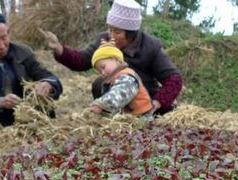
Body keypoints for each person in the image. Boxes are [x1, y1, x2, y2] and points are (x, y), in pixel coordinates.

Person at [41, 0, 182, 115]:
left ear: (132, 33)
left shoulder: (150, 46)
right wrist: (59, 48)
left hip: (145, 101)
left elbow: (174, 79)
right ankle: (108, 113)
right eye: (110, 29)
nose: (112, 35)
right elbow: (82, 60)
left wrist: (157, 103)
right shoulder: (104, 40)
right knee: (99, 84)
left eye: (118, 32)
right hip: (115, 100)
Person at [0, 12, 63, 131]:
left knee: (47, 109)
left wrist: (48, 84)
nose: (1, 45)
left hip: (25, 109)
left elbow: (46, 75)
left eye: (4, 38)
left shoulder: (23, 52)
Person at [88, 42, 154, 118]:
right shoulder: (113, 79)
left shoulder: (127, 76)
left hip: (141, 118)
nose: (102, 73)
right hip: (128, 120)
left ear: (116, 60)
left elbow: (119, 93)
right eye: (100, 71)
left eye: (103, 67)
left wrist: (101, 104)